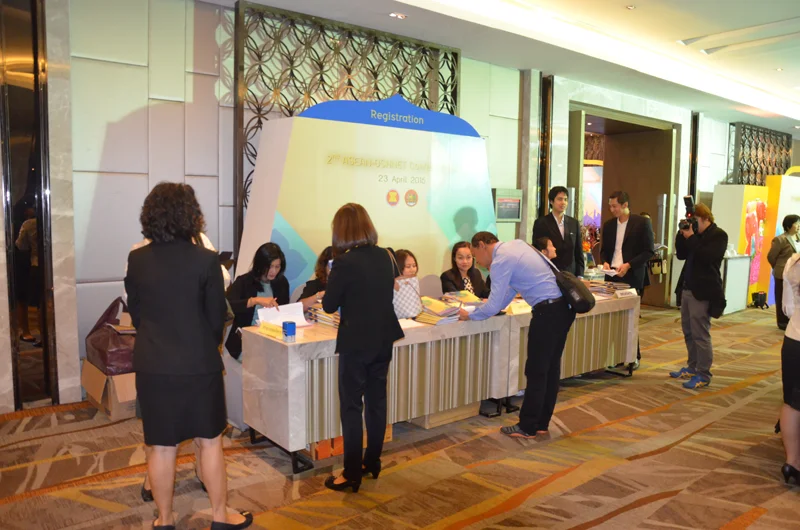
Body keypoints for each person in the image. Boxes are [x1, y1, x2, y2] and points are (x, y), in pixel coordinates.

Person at [125, 182, 252, 530]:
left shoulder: (138, 260)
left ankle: (164, 520)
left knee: (161, 447)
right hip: (199, 364)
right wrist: (201, 346)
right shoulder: (206, 260)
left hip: (153, 365)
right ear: (190, 216)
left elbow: (137, 314)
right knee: (210, 442)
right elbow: (216, 318)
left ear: (150, 215)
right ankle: (220, 517)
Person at [458, 232, 575, 439]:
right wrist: (481, 309)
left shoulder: (501, 260)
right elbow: (506, 296)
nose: (478, 262)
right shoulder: (516, 246)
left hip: (547, 313)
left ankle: (527, 426)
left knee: (536, 371)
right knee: (549, 369)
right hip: (562, 309)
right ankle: (541, 423)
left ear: (482, 245)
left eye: (475, 255)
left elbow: (494, 305)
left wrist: (471, 315)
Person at [321, 203, 404, 492]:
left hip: (356, 342)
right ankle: (372, 462)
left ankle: (351, 473)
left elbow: (328, 305)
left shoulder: (344, 263)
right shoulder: (386, 255)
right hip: (383, 338)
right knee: (377, 402)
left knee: (352, 407)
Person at [670, 203, 727, 390]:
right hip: (687, 289)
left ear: (706, 219)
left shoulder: (718, 235)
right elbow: (681, 254)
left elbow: (707, 257)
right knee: (688, 331)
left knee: (700, 334)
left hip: (702, 291)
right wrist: (682, 234)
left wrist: (692, 237)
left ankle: (703, 373)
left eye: (695, 221)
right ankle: (692, 367)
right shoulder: (695, 235)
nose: (693, 225)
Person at [600, 191, 654, 367]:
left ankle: (633, 357)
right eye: (610, 206)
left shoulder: (641, 223)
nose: (611, 209)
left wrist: (629, 265)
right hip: (612, 277)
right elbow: (604, 250)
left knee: (630, 319)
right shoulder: (609, 225)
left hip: (631, 276)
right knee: (614, 319)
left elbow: (648, 251)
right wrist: (605, 262)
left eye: (615, 206)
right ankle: (616, 356)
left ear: (625, 205)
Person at [225, 242, 290, 360]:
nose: (273, 271)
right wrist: (254, 301)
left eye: (277, 267)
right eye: (270, 266)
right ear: (260, 265)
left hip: (273, 339)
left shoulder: (281, 283)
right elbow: (227, 307)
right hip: (246, 341)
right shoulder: (244, 282)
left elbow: (284, 312)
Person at [778, 251, 800, 484]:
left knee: (792, 402)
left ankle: (792, 462)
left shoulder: (793, 261)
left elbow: (789, 308)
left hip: (794, 339)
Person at [532, 186, 584, 277]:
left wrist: (580, 275)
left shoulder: (573, 223)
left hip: (570, 275)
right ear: (551, 201)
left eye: (565, 199)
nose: (563, 202)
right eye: (560, 199)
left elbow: (578, 251)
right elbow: (537, 251)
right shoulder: (541, 223)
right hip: (550, 273)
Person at [768, 214, 800, 330]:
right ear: (788, 226)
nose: (798, 226)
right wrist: (778, 268)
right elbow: (771, 256)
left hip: (796, 274)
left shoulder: (798, 238)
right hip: (782, 274)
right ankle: (782, 322)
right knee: (781, 297)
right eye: (796, 224)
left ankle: (791, 320)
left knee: (793, 298)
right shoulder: (780, 239)